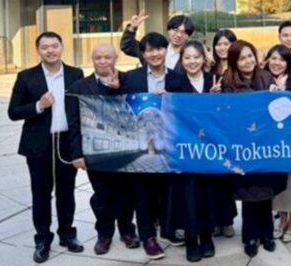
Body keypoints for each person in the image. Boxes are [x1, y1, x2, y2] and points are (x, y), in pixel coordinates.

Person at [7, 31, 85, 263]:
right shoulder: (26, 77)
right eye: (45, 47)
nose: (50, 50)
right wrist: (39, 105)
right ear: (38, 50)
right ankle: (42, 239)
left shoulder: (75, 74)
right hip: (39, 144)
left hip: (66, 141)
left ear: (62, 47)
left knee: (66, 191)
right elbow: (13, 112)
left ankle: (67, 234)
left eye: (54, 46)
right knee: (41, 193)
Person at [119, 32, 191, 260]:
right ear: (143, 54)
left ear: (166, 50)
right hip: (140, 145)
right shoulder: (131, 78)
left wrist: (172, 101)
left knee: (167, 191)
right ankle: (148, 236)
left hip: (169, 145)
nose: (155, 54)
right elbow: (118, 105)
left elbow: (187, 109)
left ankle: (168, 229)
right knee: (143, 193)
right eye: (149, 50)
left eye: (159, 49)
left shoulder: (178, 79)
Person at [66, 44, 140, 256]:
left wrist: (118, 89)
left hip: (125, 150)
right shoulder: (79, 87)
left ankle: (127, 230)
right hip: (95, 152)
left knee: (126, 194)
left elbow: (135, 109)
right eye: (98, 57)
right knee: (102, 195)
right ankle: (104, 234)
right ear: (92, 60)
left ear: (116, 59)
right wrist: (76, 154)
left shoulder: (128, 81)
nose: (103, 61)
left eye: (108, 57)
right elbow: (73, 122)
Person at [222, 40, 287, 258]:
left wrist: (279, 94)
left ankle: (267, 234)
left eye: (250, 56)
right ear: (234, 62)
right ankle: (249, 236)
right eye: (242, 58)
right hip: (243, 148)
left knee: (266, 193)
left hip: (266, 147)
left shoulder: (267, 77)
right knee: (249, 195)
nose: (247, 61)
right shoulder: (227, 82)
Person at [164, 41, 217, 262]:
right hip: (184, 148)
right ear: (181, 60)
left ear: (204, 58)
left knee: (208, 193)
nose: (192, 61)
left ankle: (207, 236)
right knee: (188, 194)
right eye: (187, 57)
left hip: (210, 148)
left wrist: (218, 97)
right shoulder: (173, 82)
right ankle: (191, 238)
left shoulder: (213, 80)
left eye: (196, 57)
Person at [265, 45, 291, 243]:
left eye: (281, 59)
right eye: (273, 58)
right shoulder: (263, 80)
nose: (277, 63)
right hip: (271, 142)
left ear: (288, 63)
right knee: (277, 182)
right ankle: (281, 220)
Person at [208, 28, 239, 237]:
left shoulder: (238, 69)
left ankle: (227, 220)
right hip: (212, 128)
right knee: (214, 177)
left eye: (226, 44)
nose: (222, 48)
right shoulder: (209, 69)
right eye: (218, 44)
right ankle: (215, 220)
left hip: (232, 129)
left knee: (228, 176)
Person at [120, 11, 194, 71]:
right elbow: (127, 46)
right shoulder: (154, 49)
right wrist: (132, 28)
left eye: (184, 32)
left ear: (188, 36)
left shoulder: (192, 55)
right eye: (176, 30)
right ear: (168, 30)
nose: (179, 35)